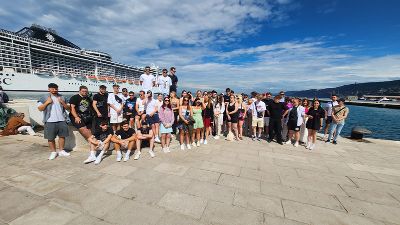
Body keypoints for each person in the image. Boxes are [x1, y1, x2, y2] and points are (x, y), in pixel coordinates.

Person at [37, 83, 70, 160]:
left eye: (56, 89)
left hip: (62, 119)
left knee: (62, 136)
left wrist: (63, 102)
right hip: (49, 120)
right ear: (49, 89)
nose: (54, 90)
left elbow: (68, 108)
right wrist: (47, 102)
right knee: (50, 138)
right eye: (52, 89)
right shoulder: (44, 97)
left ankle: (61, 151)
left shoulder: (62, 97)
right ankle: (53, 152)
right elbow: (40, 108)